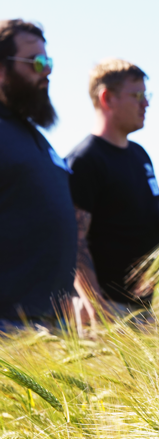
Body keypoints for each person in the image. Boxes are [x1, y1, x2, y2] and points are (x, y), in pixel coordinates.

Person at [67, 59, 159, 324]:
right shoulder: (85, 160)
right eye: (137, 96)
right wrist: (97, 306)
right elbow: (75, 241)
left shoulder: (140, 155)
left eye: (146, 95)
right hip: (107, 309)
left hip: (143, 308)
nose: (146, 104)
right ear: (107, 98)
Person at [0, 19, 77, 325]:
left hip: (50, 322)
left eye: (49, 61)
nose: (47, 70)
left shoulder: (31, 135)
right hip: (9, 325)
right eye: (36, 62)